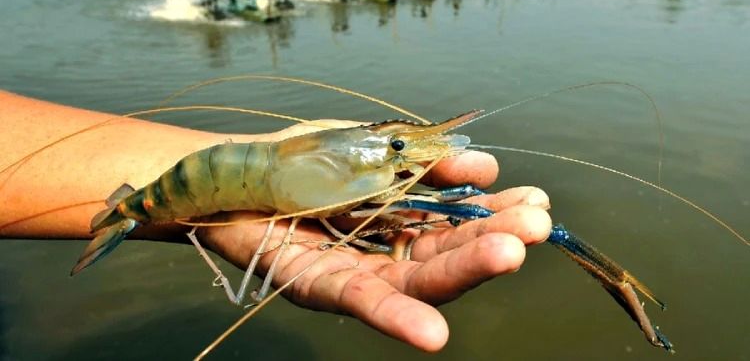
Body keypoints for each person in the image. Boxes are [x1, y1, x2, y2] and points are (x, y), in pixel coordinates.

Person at [0, 90, 551, 352]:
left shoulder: (360, 159)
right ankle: (126, 214)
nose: (401, 153)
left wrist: (394, 152)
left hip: (221, 178)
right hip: (190, 188)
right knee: (457, 209)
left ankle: (127, 211)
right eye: (397, 146)